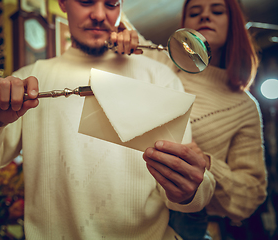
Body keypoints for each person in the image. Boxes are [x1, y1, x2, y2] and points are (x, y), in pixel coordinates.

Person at [0, 0, 217, 239]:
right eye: (86, 1)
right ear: (63, 3)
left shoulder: (159, 77)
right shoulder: (30, 81)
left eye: (111, 3)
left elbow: (189, 192)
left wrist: (191, 190)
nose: (100, 14)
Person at [113, 0, 267, 239]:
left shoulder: (245, 107)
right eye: (195, 12)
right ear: (183, 28)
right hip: (127, 209)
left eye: (217, 11)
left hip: (185, 226)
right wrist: (123, 36)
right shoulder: (163, 63)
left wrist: (205, 163)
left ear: (234, 24)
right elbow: (112, 14)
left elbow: (252, 195)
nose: (205, 17)